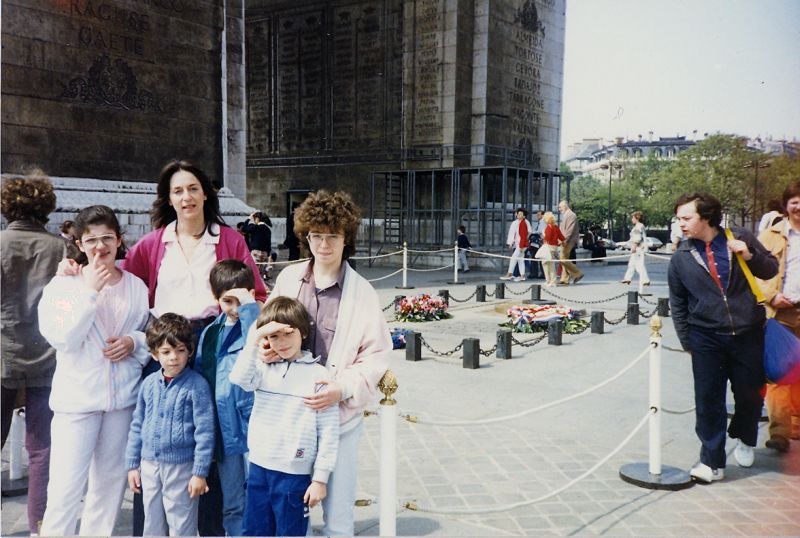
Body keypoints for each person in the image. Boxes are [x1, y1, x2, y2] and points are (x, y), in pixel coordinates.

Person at [120, 159, 265, 536]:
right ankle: (150, 526)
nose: (186, 197)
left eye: (193, 189)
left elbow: (255, 292)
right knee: (160, 430)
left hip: (212, 341)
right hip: (166, 342)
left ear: (205, 193)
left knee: (210, 433)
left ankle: (211, 526)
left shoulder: (229, 239)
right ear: (168, 199)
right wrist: (78, 269)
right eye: (178, 191)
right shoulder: (154, 244)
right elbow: (125, 284)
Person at [259, 190, 390, 535]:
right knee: (280, 510)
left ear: (346, 238)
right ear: (306, 236)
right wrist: (265, 348)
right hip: (288, 418)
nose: (324, 245)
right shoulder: (288, 280)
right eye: (316, 235)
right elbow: (266, 328)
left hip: (338, 420)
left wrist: (342, 388)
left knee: (338, 516)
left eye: (332, 236)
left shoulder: (362, 292)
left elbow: (376, 355)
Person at [37, 206, 151, 536]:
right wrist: (89, 293)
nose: (100, 247)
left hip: (121, 403)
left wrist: (133, 341)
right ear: (79, 244)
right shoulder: (64, 286)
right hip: (77, 403)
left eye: (106, 238)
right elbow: (63, 339)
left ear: (118, 240)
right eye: (91, 240)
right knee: (64, 490)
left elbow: (147, 335)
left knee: (109, 489)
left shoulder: (136, 287)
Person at [668, 192, 778, 483]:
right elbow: (677, 303)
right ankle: (712, 461)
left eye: (686, 217)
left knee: (749, 395)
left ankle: (745, 436)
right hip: (705, 336)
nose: (681, 224)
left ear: (706, 216)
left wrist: (749, 254)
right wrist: (687, 340)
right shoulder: (680, 257)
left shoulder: (739, 237)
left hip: (747, 333)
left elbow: (770, 269)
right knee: (708, 400)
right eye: (678, 218)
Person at [231, 297, 339, 536]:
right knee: (254, 532)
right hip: (258, 468)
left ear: (302, 332)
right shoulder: (262, 367)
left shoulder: (319, 375)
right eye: (274, 336)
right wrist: (254, 339)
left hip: (293, 475)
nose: (281, 343)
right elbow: (238, 379)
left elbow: (329, 431)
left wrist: (320, 479)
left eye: (287, 334)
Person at [0, 172, 68, 534]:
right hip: (48, 357)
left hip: (2, 354)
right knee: (42, 450)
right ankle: (39, 526)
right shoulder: (60, 247)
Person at [125, 314, 215, 537]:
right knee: (152, 525)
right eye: (166, 352)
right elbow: (137, 424)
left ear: (190, 351)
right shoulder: (148, 385)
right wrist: (132, 465)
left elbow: (205, 433)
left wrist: (199, 473)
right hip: (149, 465)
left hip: (182, 468)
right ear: (155, 354)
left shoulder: (197, 386)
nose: (173, 357)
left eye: (180, 350)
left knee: (181, 524)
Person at [193, 260, 258, 536]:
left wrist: (249, 311)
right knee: (233, 503)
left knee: (259, 497)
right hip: (225, 432)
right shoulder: (210, 333)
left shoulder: (257, 324)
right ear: (216, 299)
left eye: (239, 300)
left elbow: (261, 345)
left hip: (253, 427)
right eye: (227, 301)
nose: (233, 308)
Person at [757, 182, 800, 453]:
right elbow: (753, 272)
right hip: (780, 312)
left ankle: (796, 424)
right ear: (785, 205)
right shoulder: (769, 236)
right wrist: (771, 295)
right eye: (795, 200)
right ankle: (780, 432)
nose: (799, 206)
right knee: (781, 372)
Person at [500, 208, 532, 282]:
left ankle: (509, 274)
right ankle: (522, 275)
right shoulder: (519, 222)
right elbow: (513, 234)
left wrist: (521, 245)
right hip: (519, 244)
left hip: (521, 244)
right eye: (518, 213)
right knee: (520, 260)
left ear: (524, 216)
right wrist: (511, 243)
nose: (518, 215)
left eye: (521, 214)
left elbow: (524, 235)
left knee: (513, 259)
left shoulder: (523, 223)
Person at [556, 200, 584, 285]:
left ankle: (578, 273)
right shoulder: (567, 215)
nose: (559, 209)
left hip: (568, 241)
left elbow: (569, 230)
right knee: (564, 259)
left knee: (563, 259)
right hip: (565, 240)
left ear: (565, 206)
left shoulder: (571, 215)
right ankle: (564, 278)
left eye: (560, 207)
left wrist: (564, 240)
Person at [621, 211, 650, 286]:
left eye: (632, 218)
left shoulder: (638, 226)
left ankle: (645, 279)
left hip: (638, 248)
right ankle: (627, 278)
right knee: (632, 264)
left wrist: (634, 246)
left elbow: (637, 238)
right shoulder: (640, 225)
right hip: (638, 247)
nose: (632, 219)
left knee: (638, 265)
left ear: (636, 218)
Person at [540, 211, 564, 286]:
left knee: (548, 264)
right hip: (554, 247)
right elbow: (561, 237)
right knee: (548, 263)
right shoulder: (556, 227)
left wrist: (543, 235)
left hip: (548, 247)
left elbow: (547, 238)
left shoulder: (548, 227)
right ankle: (549, 280)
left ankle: (551, 280)